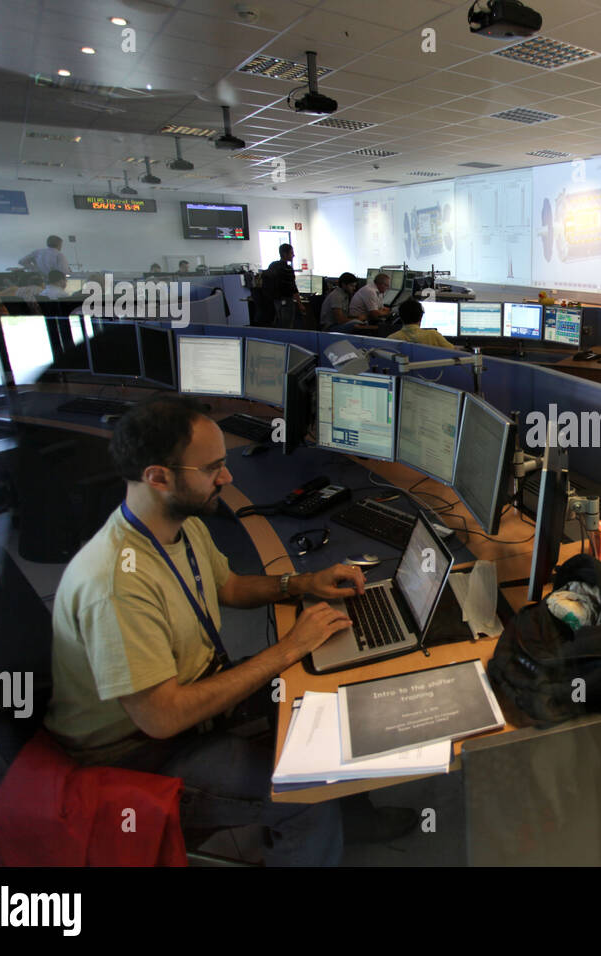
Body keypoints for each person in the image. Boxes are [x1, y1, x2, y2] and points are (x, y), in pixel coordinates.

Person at [42, 395, 414, 864]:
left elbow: (229, 586)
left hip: (191, 698)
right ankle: (322, 818)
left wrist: (301, 583)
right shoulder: (116, 585)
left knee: (329, 693)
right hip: (140, 754)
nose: (228, 477)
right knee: (307, 798)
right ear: (158, 477)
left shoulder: (177, 523)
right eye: (212, 467)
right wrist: (288, 649)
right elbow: (162, 718)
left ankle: (352, 818)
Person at [387, 298, 455, 349]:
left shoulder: (391, 339)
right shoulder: (433, 335)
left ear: (400, 317)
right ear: (421, 317)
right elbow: (454, 351)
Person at [264, 243, 303, 328]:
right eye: (291, 253)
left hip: (276, 301)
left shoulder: (272, 265)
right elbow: (293, 288)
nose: (293, 255)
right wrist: (300, 304)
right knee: (287, 326)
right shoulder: (287, 268)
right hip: (287, 302)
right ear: (285, 254)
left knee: (280, 325)